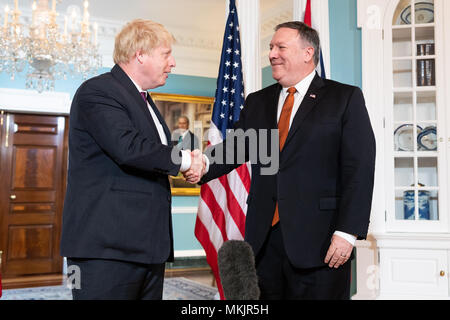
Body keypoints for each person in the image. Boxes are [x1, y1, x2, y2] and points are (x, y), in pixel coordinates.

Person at [186, 21, 375, 299]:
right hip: (265, 241)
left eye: (280, 47)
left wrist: (347, 232)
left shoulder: (344, 98)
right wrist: (201, 164)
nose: (272, 53)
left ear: (307, 53)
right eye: (271, 47)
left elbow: (359, 170)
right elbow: (236, 149)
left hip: (321, 241)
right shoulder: (258, 102)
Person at [60, 19, 204, 300]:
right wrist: (186, 161)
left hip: (147, 247)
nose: (172, 63)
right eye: (166, 54)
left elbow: (154, 155)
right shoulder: (98, 91)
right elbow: (130, 147)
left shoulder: (145, 100)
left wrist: (195, 162)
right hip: (105, 250)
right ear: (140, 54)